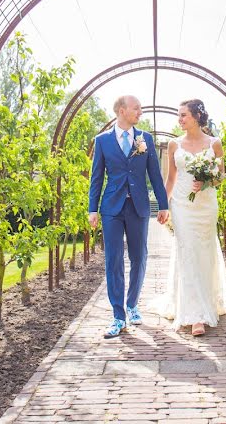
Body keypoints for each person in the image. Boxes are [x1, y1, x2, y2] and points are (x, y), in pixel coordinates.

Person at [89, 95, 169, 339]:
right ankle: (118, 316)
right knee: (113, 260)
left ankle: (132, 304)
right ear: (122, 110)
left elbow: (154, 174)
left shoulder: (145, 139)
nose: (140, 112)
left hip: (138, 207)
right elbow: (97, 176)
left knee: (139, 257)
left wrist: (163, 205)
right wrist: (92, 208)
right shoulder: (102, 141)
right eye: (137, 108)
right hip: (111, 208)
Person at [156, 99, 226, 336]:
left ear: (197, 116)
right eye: (179, 115)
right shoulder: (173, 145)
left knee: (204, 251)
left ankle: (208, 300)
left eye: (183, 115)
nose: (179, 120)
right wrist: (163, 205)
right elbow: (170, 179)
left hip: (206, 205)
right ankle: (195, 315)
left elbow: (222, 177)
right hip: (182, 205)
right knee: (187, 251)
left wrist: (208, 180)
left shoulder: (215, 144)